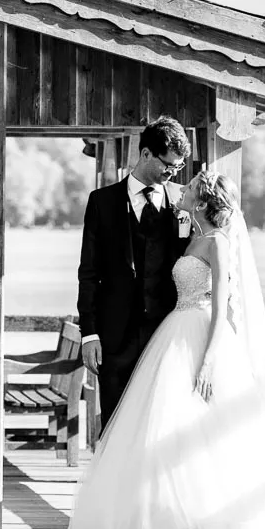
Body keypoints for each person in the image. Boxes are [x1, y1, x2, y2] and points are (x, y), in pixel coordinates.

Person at [63, 171, 265, 529]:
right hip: (173, 331)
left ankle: (203, 523)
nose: (182, 188)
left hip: (199, 337)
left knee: (202, 430)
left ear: (203, 200)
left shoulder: (218, 243)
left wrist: (210, 358)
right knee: (161, 426)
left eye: (190, 187)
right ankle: (158, 520)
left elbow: (222, 303)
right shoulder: (192, 235)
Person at [77, 117, 192, 430]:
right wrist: (89, 334)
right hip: (114, 338)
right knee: (114, 427)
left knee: (160, 427)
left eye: (178, 167)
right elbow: (88, 272)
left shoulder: (184, 201)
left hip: (165, 336)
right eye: (168, 164)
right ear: (145, 155)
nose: (172, 172)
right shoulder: (101, 203)